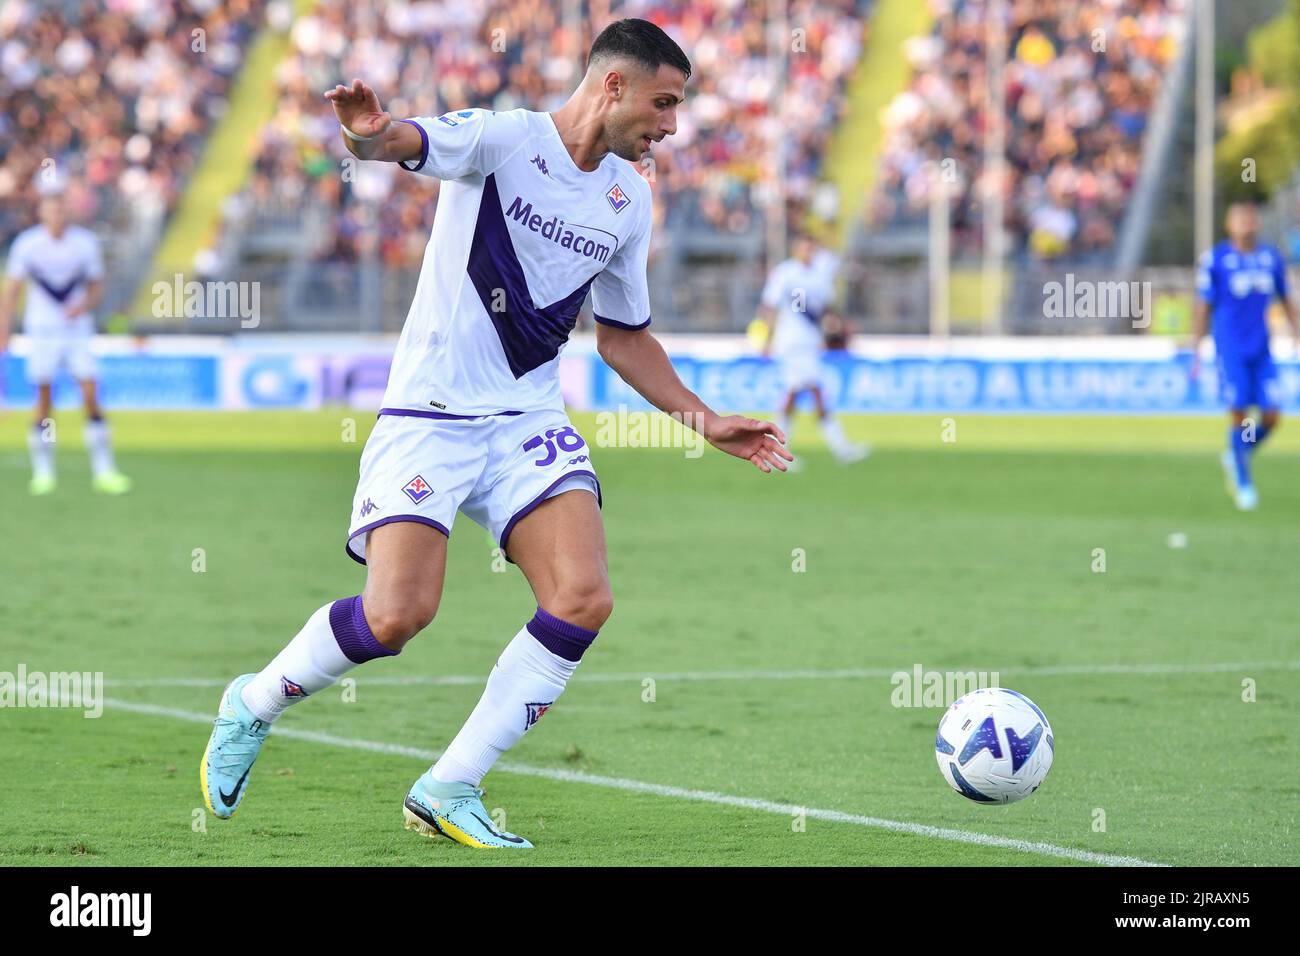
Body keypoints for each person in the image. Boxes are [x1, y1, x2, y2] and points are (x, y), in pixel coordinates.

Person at [200, 18, 792, 849]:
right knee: (397, 617)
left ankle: (449, 786)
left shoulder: (630, 198)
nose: (672, 124)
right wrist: (369, 134)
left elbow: (623, 335)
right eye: (664, 103)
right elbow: (400, 142)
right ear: (613, 85)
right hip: (430, 415)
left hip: (525, 421)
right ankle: (252, 703)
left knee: (583, 597)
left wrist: (704, 418)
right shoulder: (503, 140)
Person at [0, 191, 131, 496]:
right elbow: (13, 291)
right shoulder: (27, 245)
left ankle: (105, 470)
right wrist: (4, 330)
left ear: (67, 212)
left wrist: (84, 306)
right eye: (51, 210)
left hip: (76, 332)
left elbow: (96, 286)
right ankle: (43, 473)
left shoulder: (84, 244)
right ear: (42, 213)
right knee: (44, 402)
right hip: (42, 331)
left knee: (90, 394)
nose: (57, 216)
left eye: (61, 210)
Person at [1192, 201, 1298, 510]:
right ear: (1229, 224)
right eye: (1240, 218)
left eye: (1251, 218)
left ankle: (1238, 452)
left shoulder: (1269, 258)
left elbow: (1286, 298)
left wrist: (1297, 332)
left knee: (1272, 413)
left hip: (1262, 349)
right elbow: (1203, 305)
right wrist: (1197, 344)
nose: (1246, 223)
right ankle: (1242, 479)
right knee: (1239, 410)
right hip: (1231, 350)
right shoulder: (1216, 259)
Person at [758, 231, 868, 467]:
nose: (809, 252)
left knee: (800, 394)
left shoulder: (819, 277)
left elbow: (825, 309)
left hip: (809, 344)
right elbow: (769, 306)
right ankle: (837, 448)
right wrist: (765, 339)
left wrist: (838, 325)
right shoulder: (785, 273)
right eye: (805, 248)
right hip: (790, 343)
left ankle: (836, 448)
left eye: (812, 249)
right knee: (805, 393)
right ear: (796, 249)